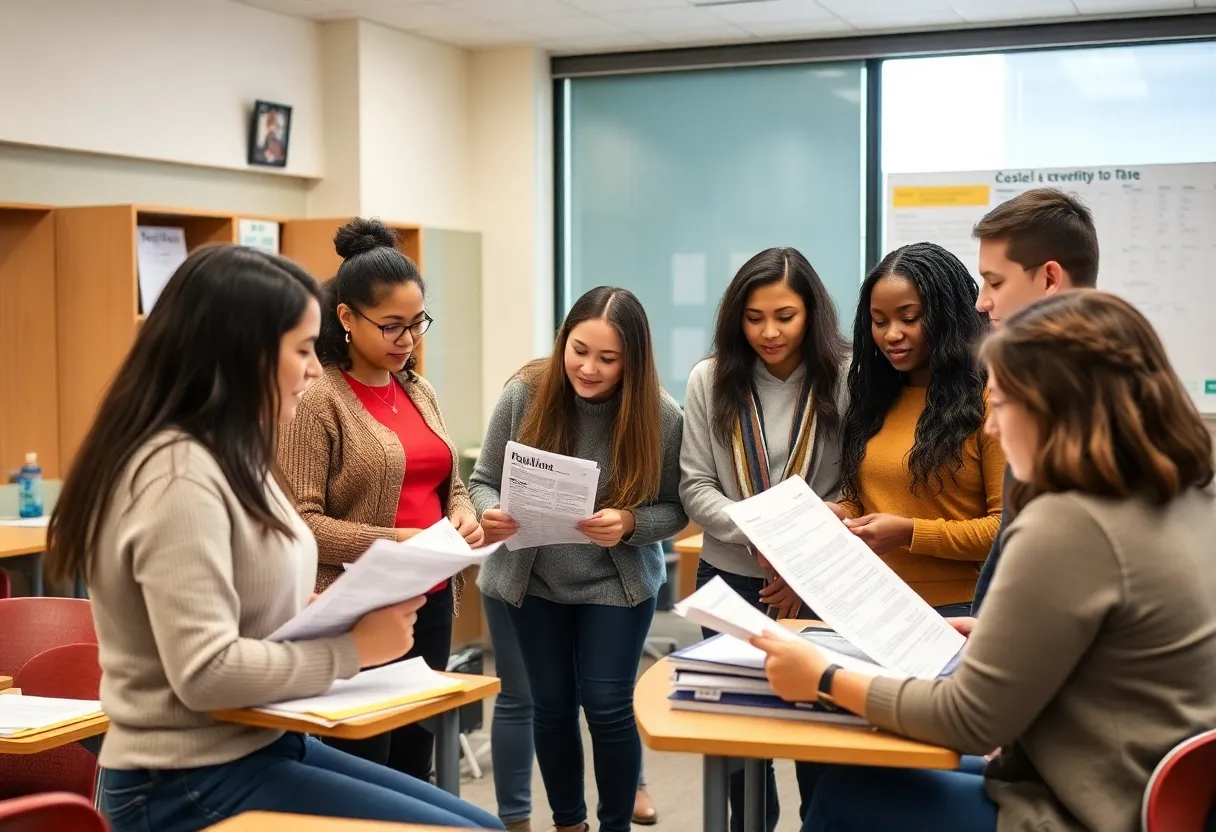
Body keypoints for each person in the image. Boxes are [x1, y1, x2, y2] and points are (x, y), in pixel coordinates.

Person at [45, 244, 503, 831]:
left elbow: (239, 600)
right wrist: (352, 649)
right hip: (186, 779)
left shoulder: (232, 456)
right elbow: (205, 672)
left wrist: (322, 609)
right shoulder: (177, 475)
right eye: (304, 350)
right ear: (245, 355)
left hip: (260, 743)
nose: (315, 370)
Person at [752, 290, 1216, 832]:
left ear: (1054, 404)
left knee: (849, 791)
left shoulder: (1068, 523)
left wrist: (824, 677)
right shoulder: (1190, 496)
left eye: (999, 407)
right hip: (1151, 788)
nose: (991, 427)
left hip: (1088, 807)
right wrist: (1007, 633)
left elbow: (967, 721)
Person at [470, 286, 686, 832]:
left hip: (616, 583)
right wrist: (490, 510)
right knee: (552, 705)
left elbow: (675, 510)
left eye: (608, 359)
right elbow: (482, 480)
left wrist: (632, 523)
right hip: (534, 578)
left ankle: (614, 824)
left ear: (632, 361)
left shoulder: (659, 415)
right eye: (579, 350)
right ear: (563, 341)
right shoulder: (526, 392)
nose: (588, 368)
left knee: (608, 705)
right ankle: (569, 824)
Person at [278, 217, 482, 778]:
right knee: (367, 763)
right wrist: (393, 541)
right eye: (391, 326)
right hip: (354, 607)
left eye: (417, 324)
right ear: (345, 317)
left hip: (431, 599)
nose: (408, 341)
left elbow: (450, 482)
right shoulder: (319, 398)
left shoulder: (419, 388)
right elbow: (300, 522)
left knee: (417, 759)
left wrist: (463, 516)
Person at [679, 247, 849, 830]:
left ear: (812, 315)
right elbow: (696, 485)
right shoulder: (711, 378)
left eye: (785, 316)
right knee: (741, 747)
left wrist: (799, 551)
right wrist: (765, 539)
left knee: (818, 737)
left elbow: (853, 485)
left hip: (820, 584)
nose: (769, 332)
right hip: (730, 581)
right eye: (754, 318)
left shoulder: (846, 375)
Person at [836, 242, 1002, 615]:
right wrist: (843, 514)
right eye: (879, 322)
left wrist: (909, 533)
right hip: (869, 603)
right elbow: (864, 499)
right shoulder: (874, 399)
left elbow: (1006, 530)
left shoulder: (992, 402)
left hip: (958, 610)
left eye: (909, 318)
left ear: (947, 315)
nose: (892, 334)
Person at [970, 187, 1099, 613]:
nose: (982, 301)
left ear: (1048, 279)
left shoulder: (1090, 397)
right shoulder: (1039, 380)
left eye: (995, 282)